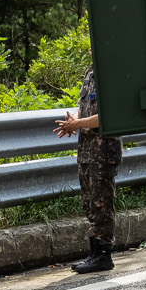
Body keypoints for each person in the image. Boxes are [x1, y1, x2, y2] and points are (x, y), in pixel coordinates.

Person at [53, 66, 121, 273]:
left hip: (104, 151)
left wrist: (78, 123)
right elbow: (82, 106)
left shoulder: (113, 73)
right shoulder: (91, 72)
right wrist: (72, 121)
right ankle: (94, 252)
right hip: (87, 150)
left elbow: (109, 115)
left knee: (101, 203)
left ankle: (103, 254)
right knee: (89, 203)